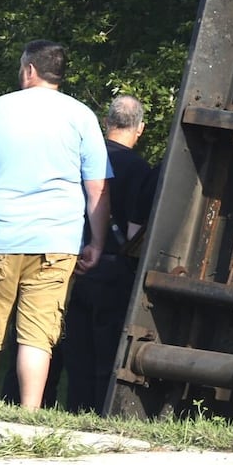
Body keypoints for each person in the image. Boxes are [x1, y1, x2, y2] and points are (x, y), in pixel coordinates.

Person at [0, 40, 111, 408]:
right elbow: (97, 187)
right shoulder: (82, 116)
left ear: (29, 70)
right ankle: (29, 413)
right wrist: (97, 242)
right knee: (37, 336)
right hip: (57, 243)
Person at [62, 94, 158, 413]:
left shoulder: (82, 159)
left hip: (71, 261)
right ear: (140, 128)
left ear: (106, 123)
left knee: (75, 351)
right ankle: (102, 414)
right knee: (106, 353)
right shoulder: (139, 169)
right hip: (113, 269)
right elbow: (134, 232)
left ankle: (74, 410)